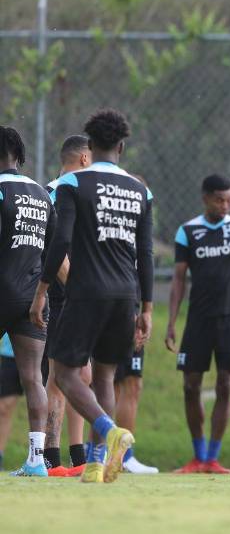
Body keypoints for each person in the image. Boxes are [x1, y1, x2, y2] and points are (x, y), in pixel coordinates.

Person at [30, 109, 154, 484]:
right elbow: (145, 253)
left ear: (91, 147)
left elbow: (61, 241)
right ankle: (97, 463)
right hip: (126, 295)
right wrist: (146, 307)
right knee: (104, 376)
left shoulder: (72, 185)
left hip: (86, 293)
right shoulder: (140, 190)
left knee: (65, 372)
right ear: (120, 146)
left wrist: (42, 292)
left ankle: (109, 429)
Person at [166, 174, 230, 474]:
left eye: (227, 200)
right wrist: (171, 322)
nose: (224, 205)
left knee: (225, 384)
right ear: (205, 198)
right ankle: (197, 456)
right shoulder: (188, 231)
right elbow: (179, 279)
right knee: (190, 385)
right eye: (218, 200)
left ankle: (212, 458)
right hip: (198, 320)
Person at [1, 126, 57, 477]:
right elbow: (53, 250)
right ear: (18, 156)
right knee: (33, 377)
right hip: (34, 295)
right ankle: (36, 459)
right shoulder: (41, 194)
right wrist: (42, 293)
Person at [43, 135, 92, 477]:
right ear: (85, 159)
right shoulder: (58, 192)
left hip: (80, 294)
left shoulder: (72, 191)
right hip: (64, 295)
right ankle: (50, 457)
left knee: (81, 375)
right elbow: (55, 251)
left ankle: (77, 456)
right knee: (59, 378)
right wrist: (76, 289)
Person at [0, 334, 21, 472]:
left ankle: (41, 456)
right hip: (10, 352)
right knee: (3, 408)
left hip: (40, 350)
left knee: (41, 407)